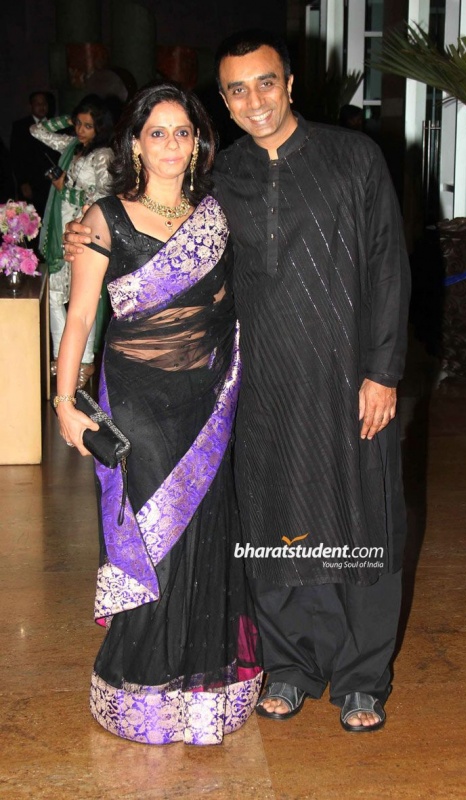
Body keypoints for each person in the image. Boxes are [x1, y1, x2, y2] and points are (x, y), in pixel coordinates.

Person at [64, 30, 411, 734]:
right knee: (272, 522)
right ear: (223, 102)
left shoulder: (355, 158)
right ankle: (290, 665)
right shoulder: (220, 181)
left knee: (362, 520)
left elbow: (387, 265)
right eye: (237, 89)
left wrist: (383, 370)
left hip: (349, 378)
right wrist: (85, 232)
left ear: (290, 84)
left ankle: (362, 677)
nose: (254, 100)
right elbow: (149, 227)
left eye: (266, 82)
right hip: (261, 384)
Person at [54, 81, 263, 746]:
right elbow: (80, 318)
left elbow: (237, 300)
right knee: (153, 540)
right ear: (136, 145)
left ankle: (201, 687)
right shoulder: (104, 218)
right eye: (157, 132)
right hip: (137, 403)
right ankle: (141, 681)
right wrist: (64, 401)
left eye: (182, 132)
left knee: (204, 536)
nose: (171, 144)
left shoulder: (218, 214)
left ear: (198, 142)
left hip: (208, 402)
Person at [31, 95, 114, 387]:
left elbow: (104, 196)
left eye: (88, 125)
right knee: (54, 295)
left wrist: (64, 188)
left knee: (85, 298)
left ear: (100, 127)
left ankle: (86, 361)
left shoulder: (103, 155)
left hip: (85, 234)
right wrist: (67, 118)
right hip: (59, 231)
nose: (80, 130)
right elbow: (37, 130)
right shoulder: (71, 147)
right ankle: (61, 356)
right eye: (78, 123)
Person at [10, 90, 59, 218]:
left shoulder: (57, 125)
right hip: (31, 183)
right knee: (33, 219)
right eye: (38, 104)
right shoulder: (21, 126)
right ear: (31, 106)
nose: (42, 107)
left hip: (53, 182)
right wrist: (22, 182)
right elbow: (16, 157)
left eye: (44, 103)